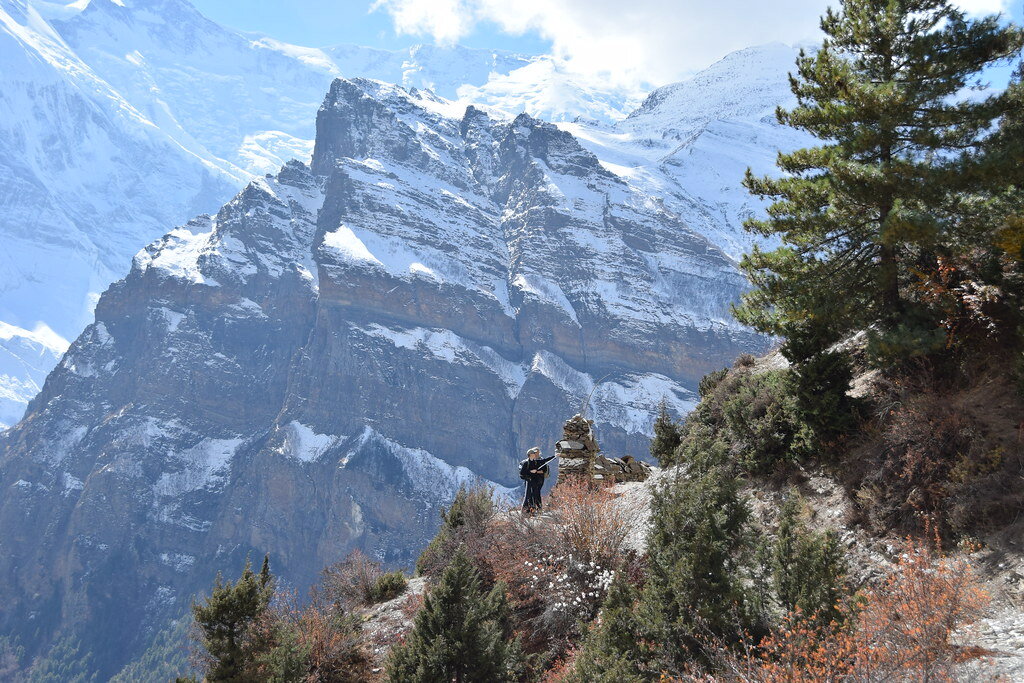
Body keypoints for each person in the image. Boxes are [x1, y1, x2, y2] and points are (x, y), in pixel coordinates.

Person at [519, 447, 556, 513]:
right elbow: (522, 473)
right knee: (529, 495)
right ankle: (527, 510)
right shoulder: (526, 463)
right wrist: (531, 472)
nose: (536, 454)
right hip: (529, 481)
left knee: (536, 494)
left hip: (537, 481)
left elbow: (545, 464)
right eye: (534, 453)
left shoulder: (537, 461)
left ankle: (536, 509)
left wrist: (554, 456)